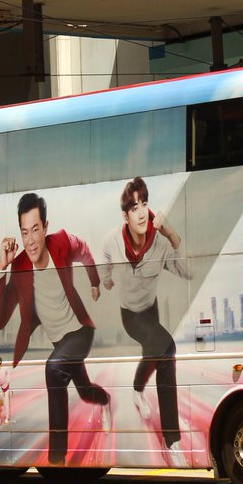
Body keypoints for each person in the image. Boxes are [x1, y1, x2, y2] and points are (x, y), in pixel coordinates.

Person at [0, 192, 110, 465]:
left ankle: (57, 457)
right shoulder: (20, 265)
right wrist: (2, 266)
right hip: (61, 344)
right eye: (24, 233)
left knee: (53, 369)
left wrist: (94, 281)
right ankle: (106, 401)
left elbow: (86, 252)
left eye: (35, 230)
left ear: (45, 227)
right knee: (84, 390)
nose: (30, 240)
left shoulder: (62, 242)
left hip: (80, 332)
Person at [100, 177, 191, 461]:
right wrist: (105, 281)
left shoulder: (161, 245)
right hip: (131, 315)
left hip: (151, 310)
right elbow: (104, 262)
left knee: (155, 354)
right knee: (167, 350)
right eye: (134, 206)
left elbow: (188, 272)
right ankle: (172, 439)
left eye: (144, 204)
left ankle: (137, 391)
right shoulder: (112, 241)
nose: (141, 212)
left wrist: (171, 233)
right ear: (125, 215)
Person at [0, 355, 12, 424]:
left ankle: (7, 417)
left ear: (0, 362)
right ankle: (6, 416)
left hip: (6, 387)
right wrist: (0, 390)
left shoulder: (5, 368)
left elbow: (8, 373)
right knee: (4, 403)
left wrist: (8, 381)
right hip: (1, 389)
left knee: (7, 403)